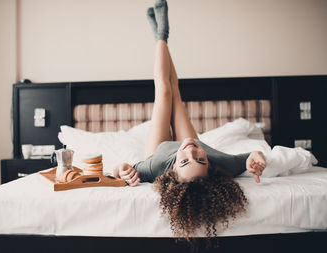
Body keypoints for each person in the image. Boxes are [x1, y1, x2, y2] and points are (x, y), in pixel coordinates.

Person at [113, 0, 266, 239]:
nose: (191, 151)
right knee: (175, 92)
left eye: (185, 162)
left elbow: (118, 171)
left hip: (159, 150)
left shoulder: (155, 167)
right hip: (191, 153)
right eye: (200, 160)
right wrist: (258, 157)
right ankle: (161, 37)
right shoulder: (221, 164)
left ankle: (161, 36)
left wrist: (122, 170)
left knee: (163, 91)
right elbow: (252, 157)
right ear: (210, 164)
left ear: (172, 170)